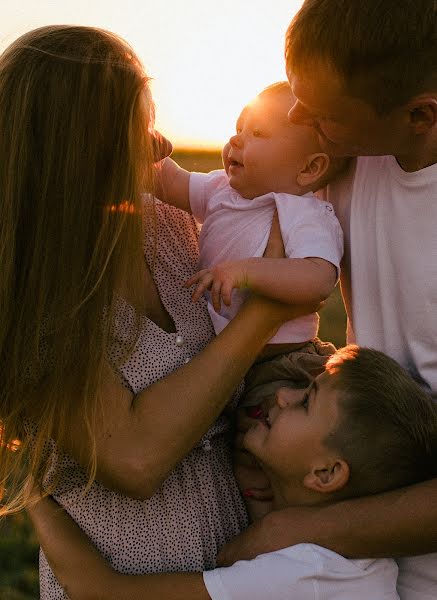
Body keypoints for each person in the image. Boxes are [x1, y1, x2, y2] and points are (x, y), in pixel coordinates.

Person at [0, 25, 314, 599]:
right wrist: (263, 312)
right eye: (138, 127)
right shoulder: (26, 286)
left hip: (228, 572)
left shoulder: (167, 225)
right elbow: (136, 457)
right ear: (80, 145)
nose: (162, 143)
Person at [216, 2, 437, 599]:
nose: (295, 116)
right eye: (296, 95)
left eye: (321, 114)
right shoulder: (354, 155)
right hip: (367, 564)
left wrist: (294, 530)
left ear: (421, 113)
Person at [26, 345, 437, 599]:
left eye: (306, 401)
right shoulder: (364, 563)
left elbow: (101, 592)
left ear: (327, 473)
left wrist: (29, 486)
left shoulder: (306, 574)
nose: (284, 394)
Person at [156, 81, 345, 359]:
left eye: (257, 132)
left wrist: (245, 272)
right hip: (222, 350)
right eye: (239, 128)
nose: (236, 139)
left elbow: (319, 279)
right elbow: (169, 182)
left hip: (281, 359)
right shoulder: (221, 189)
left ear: (309, 168)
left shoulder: (303, 212)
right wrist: (143, 143)